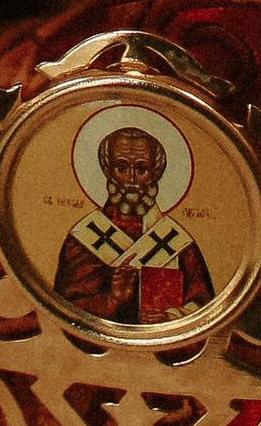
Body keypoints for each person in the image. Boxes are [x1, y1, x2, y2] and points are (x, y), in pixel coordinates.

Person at [52, 121, 214, 329]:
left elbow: (204, 305)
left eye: (141, 169)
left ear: (156, 172)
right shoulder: (84, 237)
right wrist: (113, 298)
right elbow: (63, 309)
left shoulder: (175, 240)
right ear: (107, 170)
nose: (131, 179)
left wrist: (170, 318)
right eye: (121, 167)